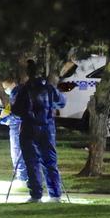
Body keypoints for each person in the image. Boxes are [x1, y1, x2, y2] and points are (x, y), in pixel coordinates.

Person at [11, 60, 66, 203]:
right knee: (49, 161)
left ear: (28, 73)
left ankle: (36, 194)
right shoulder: (49, 88)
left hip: (30, 128)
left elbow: (16, 109)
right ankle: (55, 194)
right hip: (47, 128)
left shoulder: (25, 89)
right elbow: (62, 102)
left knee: (32, 161)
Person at [0, 78, 28, 185]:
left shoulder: (16, 93)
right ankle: (23, 176)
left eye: (6, 87)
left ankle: (21, 177)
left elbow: (18, 113)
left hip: (17, 127)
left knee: (17, 151)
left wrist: (7, 119)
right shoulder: (19, 92)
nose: (6, 90)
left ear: (12, 84)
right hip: (19, 126)